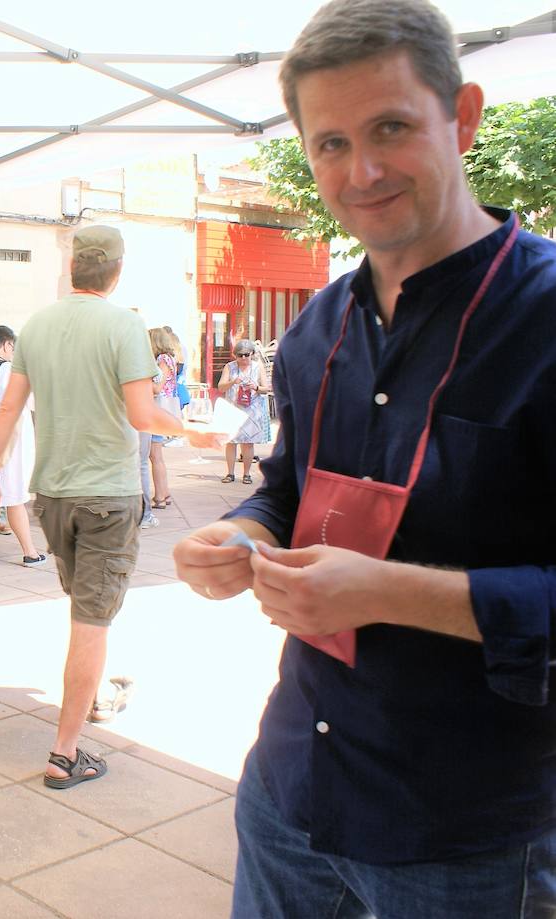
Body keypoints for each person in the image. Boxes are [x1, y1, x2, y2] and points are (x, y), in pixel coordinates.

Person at [172, 1, 556, 915]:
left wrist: (386, 591)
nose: (363, 170)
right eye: (331, 143)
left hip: (464, 833)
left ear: (461, 117)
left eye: (391, 127)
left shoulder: (543, 320)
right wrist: (236, 532)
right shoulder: (315, 329)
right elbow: (287, 489)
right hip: (288, 789)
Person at [0, 225, 221, 788]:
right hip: (107, 495)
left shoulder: (37, 325)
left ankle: (94, 690)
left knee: (88, 611)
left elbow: (8, 410)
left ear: (73, 270)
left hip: (53, 496)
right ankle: (65, 753)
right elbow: (142, 414)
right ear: (115, 271)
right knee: (91, 620)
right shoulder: (124, 325)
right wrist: (195, 432)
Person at [0, 325, 45, 568]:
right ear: (7, 345)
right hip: (11, 445)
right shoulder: (13, 370)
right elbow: (34, 402)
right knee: (14, 497)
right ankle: (29, 552)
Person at [217, 338, 271, 484]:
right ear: (235, 355)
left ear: (252, 353)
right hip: (233, 409)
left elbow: (267, 388)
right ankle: (230, 473)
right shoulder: (230, 367)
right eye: (240, 355)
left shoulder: (257, 366)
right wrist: (232, 382)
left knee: (248, 443)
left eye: (246, 355)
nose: (243, 358)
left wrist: (256, 387)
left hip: (252, 410)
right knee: (231, 441)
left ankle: (246, 474)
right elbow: (221, 387)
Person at [148, 327, 180, 508]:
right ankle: (165, 493)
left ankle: (160, 496)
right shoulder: (169, 358)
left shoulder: (162, 359)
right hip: (162, 409)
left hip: (158, 408)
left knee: (155, 455)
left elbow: (157, 387)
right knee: (157, 455)